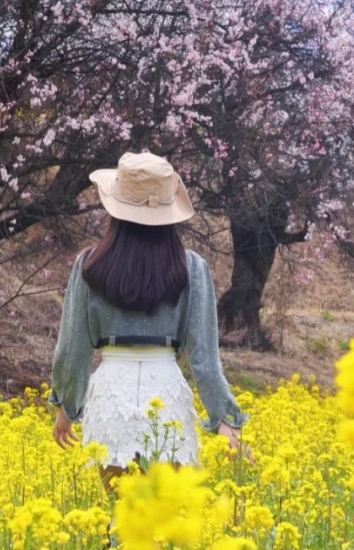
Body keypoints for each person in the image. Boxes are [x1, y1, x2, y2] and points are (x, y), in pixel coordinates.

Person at [49, 150, 247, 486]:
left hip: (112, 401)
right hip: (166, 395)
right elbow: (204, 358)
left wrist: (67, 407)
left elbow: (73, 351)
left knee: (122, 520)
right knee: (166, 522)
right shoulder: (192, 268)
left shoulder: (89, 266)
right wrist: (225, 420)